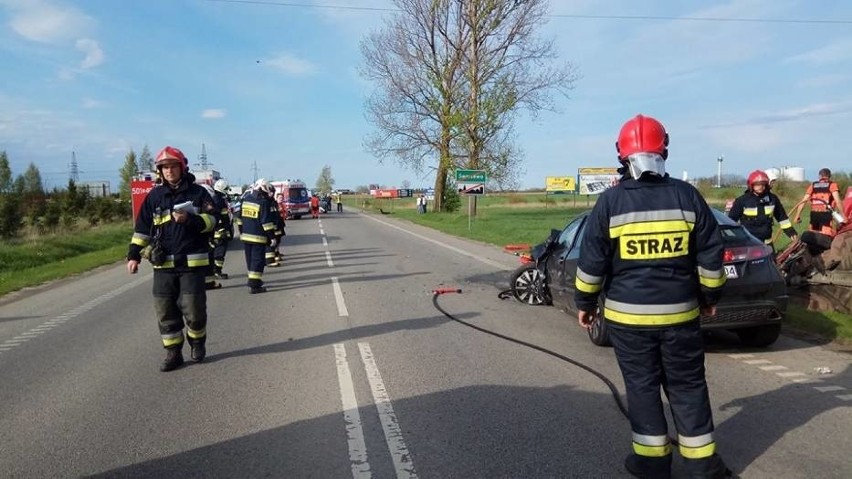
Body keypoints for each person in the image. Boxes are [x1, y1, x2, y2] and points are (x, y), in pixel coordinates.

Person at [574, 114, 730, 479]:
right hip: (680, 317)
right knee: (688, 387)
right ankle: (702, 466)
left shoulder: (610, 203)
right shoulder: (687, 197)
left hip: (628, 322)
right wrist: (710, 295)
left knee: (642, 389)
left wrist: (584, 305)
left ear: (620, 154)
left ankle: (652, 463)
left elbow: (592, 264)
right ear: (665, 149)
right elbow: (711, 255)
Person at [126, 146, 217, 372]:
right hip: (163, 265)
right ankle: (173, 353)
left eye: (172, 166)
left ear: (182, 167)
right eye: (164, 168)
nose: (168, 171)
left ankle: (197, 343)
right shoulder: (155, 197)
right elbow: (142, 229)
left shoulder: (199, 194)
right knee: (166, 313)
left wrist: (190, 220)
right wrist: (133, 255)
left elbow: (214, 222)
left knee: (194, 311)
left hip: (191, 264)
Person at [728, 170, 797, 250]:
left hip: (767, 244)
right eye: (757, 184)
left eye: (763, 184)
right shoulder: (742, 201)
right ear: (751, 185)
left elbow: (782, 218)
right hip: (749, 244)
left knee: (772, 262)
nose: (760, 187)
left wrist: (791, 232)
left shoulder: (772, 199)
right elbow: (730, 221)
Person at [239, 178, 278, 294]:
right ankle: (255, 285)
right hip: (258, 237)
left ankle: (253, 280)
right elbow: (266, 222)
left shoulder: (245, 199)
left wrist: (241, 231)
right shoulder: (263, 202)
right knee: (258, 261)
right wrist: (272, 237)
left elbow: (239, 218)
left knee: (250, 260)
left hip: (246, 236)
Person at [792, 168, 847, 237]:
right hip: (826, 215)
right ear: (829, 176)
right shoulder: (832, 185)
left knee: (814, 237)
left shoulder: (813, 185)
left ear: (819, 176)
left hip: (814, 215)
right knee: (826, 237)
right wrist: (843, 216)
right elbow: (838, 201)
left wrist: (797, 215)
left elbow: (803, 201)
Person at [211, 179, 233, 279]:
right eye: (226, 189)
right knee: (219, 252)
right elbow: (217, 216)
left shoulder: (219, 198)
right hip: (219, 232)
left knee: (220, 252)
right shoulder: (217, 200)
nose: (227, 191)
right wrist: (221, 229)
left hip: (222, 230)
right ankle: (216, 271)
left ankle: (216, 270)